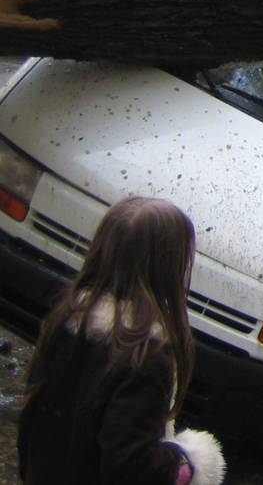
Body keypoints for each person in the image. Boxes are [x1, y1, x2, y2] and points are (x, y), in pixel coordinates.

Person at [17, 196, 225, 485]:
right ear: (169, 268)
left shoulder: (67, 321)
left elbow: (31, 423)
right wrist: (188, 465)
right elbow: (130, 466)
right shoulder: (144, 359)